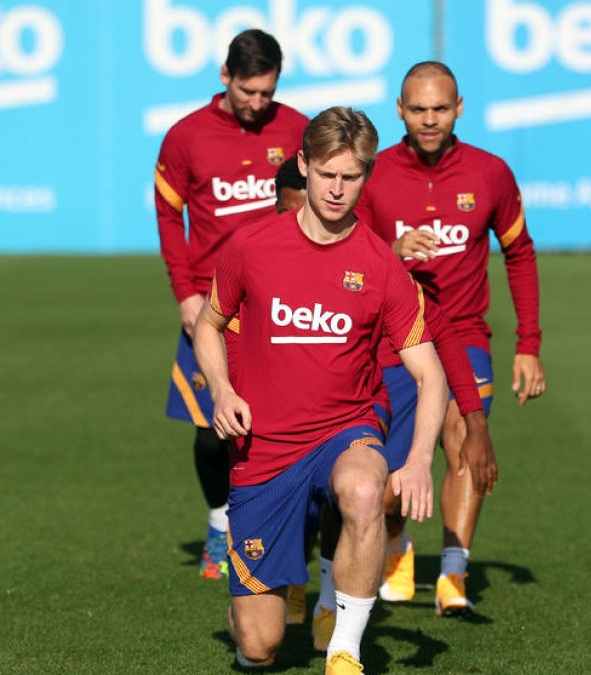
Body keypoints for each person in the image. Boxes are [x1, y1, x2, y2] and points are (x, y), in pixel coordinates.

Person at [194, 107, 447, 673]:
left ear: (367, 175)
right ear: (303, 165)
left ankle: (344, 650)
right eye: (327, 174)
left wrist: (419, 460)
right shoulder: (249, 247)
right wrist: (222, 390)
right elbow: (208, 324)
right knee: (259, 645)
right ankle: (258, 605)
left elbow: (431, 374)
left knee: (363, 491)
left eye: (351, 176)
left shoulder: (382, 265)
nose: (337, 189)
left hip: (344, 430)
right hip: (263, 451)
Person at [353, 61, 544, 616]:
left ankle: (453, 576)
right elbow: (345, 259)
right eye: (418, 110)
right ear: (399, 110)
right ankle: (397, 544)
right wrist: (392, 253)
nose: (430, 119)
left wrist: (528, 343)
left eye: (440, 108)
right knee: (384, 483)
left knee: (464, 438)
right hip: (391, 342)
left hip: (464, 334)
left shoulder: (491, 173)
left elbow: (520, 254)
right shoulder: (374, 173)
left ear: (460, 108)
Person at [154, 29, 309, 580]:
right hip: (212, 308)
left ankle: (282, 528)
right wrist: (185, 292)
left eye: (267, 92)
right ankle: (221, 522)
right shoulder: (185, 136)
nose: (258, 103)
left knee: (289, 424)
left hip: (282, 303)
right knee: (209, 429)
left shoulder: (295, 129)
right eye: (248, 91)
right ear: (226, 77)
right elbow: (169, 218)